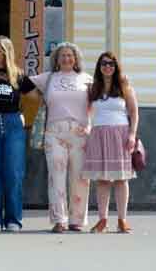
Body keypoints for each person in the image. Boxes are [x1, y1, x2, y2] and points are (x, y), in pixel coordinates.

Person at [29, 42, 92, 233]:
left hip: (80, 132)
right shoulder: (48, 78)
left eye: (70, 55)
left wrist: (90, 125)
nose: (66, 59)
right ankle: (60, 219)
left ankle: (77, 220)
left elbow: (95, 103)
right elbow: (22, 83)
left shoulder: (86, 79)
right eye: (62, 55)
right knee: (56, 176)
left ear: (76, 59)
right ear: (56, 59)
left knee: (80, 178)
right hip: (54, 132)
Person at [0, 35, 37, 232]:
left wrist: (24, 116)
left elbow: (38, 96)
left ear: (6, 52)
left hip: (13, 125)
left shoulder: (18, 75)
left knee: (13, 173)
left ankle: (13, 219)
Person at [84, 51, 139, 234]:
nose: (108, 67)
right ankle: (102, 220)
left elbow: (133, 113)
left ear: (116, 67)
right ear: (99, 68)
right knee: (102, 180)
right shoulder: (93, 88)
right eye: (104, 64)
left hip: (120, 134)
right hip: (98, 134)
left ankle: (122, 220)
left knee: (121, 179)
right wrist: (87, 128)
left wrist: (132, 134)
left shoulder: (125, 87)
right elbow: (88, 112)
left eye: (111, 64)